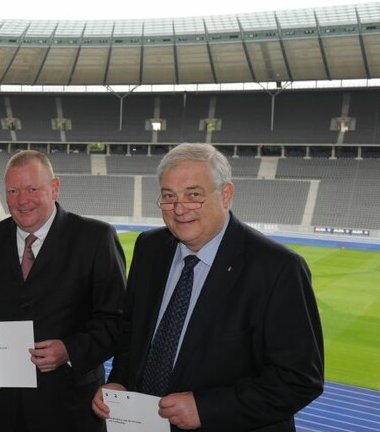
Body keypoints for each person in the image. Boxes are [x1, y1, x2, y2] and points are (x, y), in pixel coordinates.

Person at [92, 143, 324, 431]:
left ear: (225, 194)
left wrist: (207, 408)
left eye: (194, 195)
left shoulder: (278, 268)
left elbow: (299, 379)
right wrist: (121, 380)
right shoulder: (150, 248)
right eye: (168, 196)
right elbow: (132, 334)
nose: (179, 209)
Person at [0, 150, 127, 432]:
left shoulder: (95, 238)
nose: (22, 200)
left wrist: (69, 350)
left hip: (70, 408)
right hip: (2, 405)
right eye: (13, 190)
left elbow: (116, 320)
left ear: (55, 187)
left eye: (32, 189)